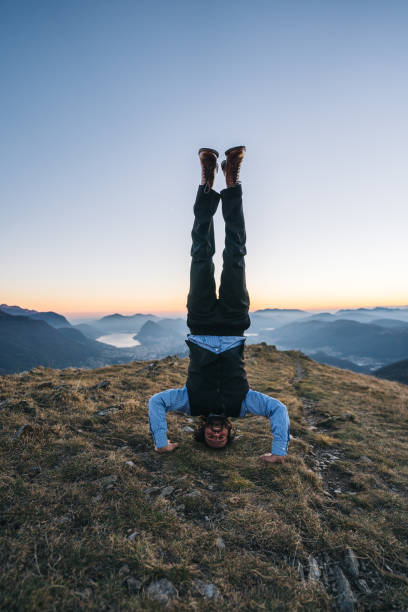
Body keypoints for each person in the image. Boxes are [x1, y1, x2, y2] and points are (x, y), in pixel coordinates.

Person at [148, 146, 290, 464]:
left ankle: (206, 184)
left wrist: (161, 442)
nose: (216, 435)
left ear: (202, 432)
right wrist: (278, 452)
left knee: (201, 255)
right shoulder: (242, 406)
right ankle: (232, 183)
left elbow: (156, 402)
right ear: (228, 431)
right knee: (234, 254)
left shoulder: (189, 403)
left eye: (211, 438)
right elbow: (278, 409)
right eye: (220, 438)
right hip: (233, 321)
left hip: (199, 322)